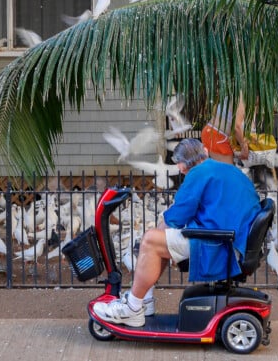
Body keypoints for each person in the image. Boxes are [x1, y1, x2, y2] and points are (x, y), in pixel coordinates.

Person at [92, 138, 261, 327]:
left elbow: (177, 217)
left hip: (218, 243)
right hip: (232, 240)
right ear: (204, 151)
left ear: (181, 165)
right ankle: (144, 300)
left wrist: (156, 233)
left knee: (150, 240)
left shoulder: (197, 174)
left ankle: (132, 308)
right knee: (158, 239)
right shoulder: (226, 169)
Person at [201, 97, 249, 164]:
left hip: (212, 133)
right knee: (228, 172)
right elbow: (236, 127)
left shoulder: (233, 95)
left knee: (222, 171)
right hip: (216, 135)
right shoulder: (241, 97)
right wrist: (244, 147)